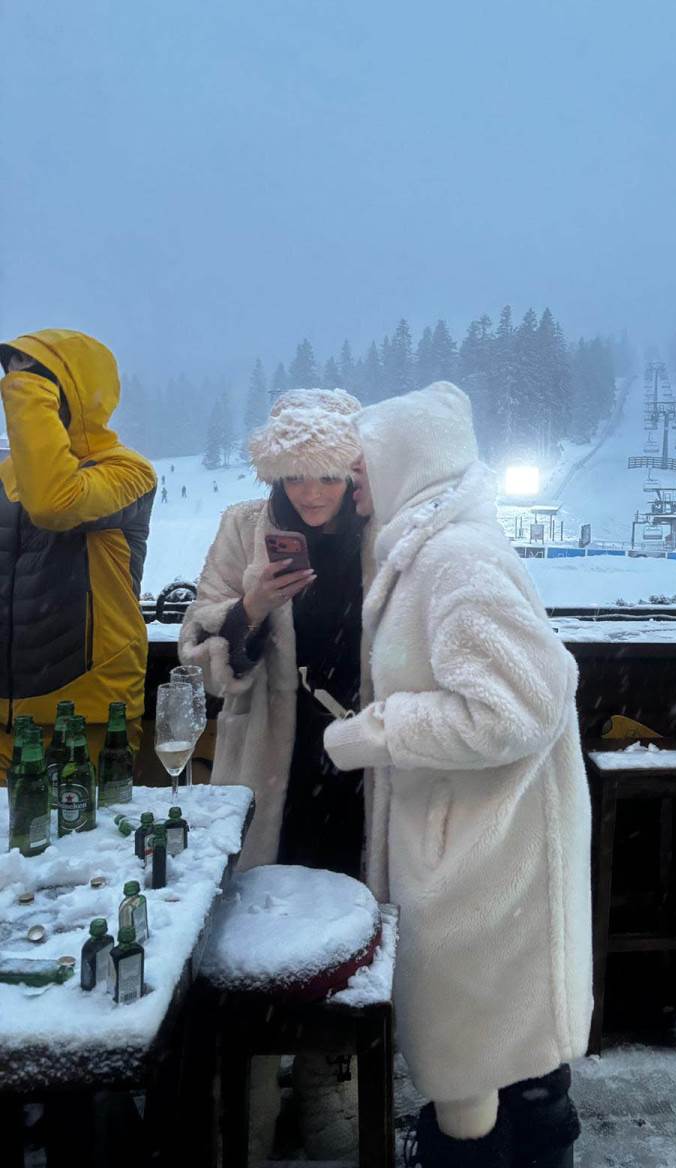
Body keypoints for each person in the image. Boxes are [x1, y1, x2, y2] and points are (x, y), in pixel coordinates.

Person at [325, 382, 592, 1168]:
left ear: (406, 461)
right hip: (478, 851)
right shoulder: (430, 550)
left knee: (470, 1075)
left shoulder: (455, 557)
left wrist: (375, 731)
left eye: (363, 464)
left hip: (484, 865)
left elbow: (520, 704)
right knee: (513, 1069)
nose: (354, 482)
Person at [179, 387, 368, 873]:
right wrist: (251, 609)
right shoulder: (244, 529)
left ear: (352, 474)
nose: (312, 493)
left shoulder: (381, 533)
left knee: (360, 892)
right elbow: (199, 661)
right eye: (294, 477)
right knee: (261, 895)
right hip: (268, 744)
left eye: (328, 476)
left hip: (367, 741)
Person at [0, 329, 156, 779]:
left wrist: (27, 390)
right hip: (6, 715)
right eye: (11, 377)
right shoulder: (7, 473)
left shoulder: (127, 471)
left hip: (86, 715)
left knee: (87, 846)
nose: (15, 385)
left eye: (34, 380)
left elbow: (55, 504)